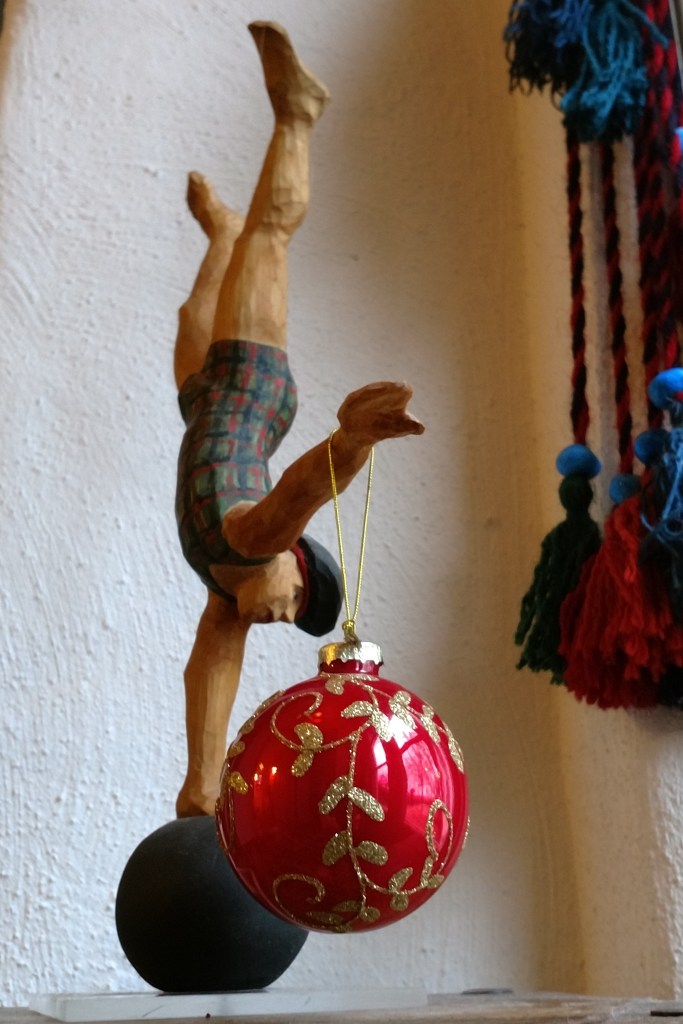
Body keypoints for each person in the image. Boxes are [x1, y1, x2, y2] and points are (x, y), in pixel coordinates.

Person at [174, 21, 424, 817]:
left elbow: (210, 672)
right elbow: (303, 488)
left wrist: (202, 788)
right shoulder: (257, 538)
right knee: (271, 236)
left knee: (197, 304)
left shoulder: (225, 596)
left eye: (288, 617)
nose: (284, 613)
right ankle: (297, 114)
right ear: (292, 559)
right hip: (252, 388)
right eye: (298, 595)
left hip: (202, 400)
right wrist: (350, 440)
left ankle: (217, 238)